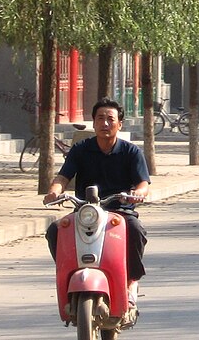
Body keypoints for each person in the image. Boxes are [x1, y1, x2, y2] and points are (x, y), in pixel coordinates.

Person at [44, 97, 150, 306]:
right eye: (100, 118)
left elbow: (143, 183)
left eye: (110, 119)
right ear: (93, 122)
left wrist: (138, 193)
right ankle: (68, 275)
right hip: (86, 211)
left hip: (120, 211)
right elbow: (63, 177)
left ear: (120, 124)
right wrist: (54, 192)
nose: (105, 123)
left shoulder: (131, 152)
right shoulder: (81, 149)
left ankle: (131, 281)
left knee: (135, 229)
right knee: (55, 230)